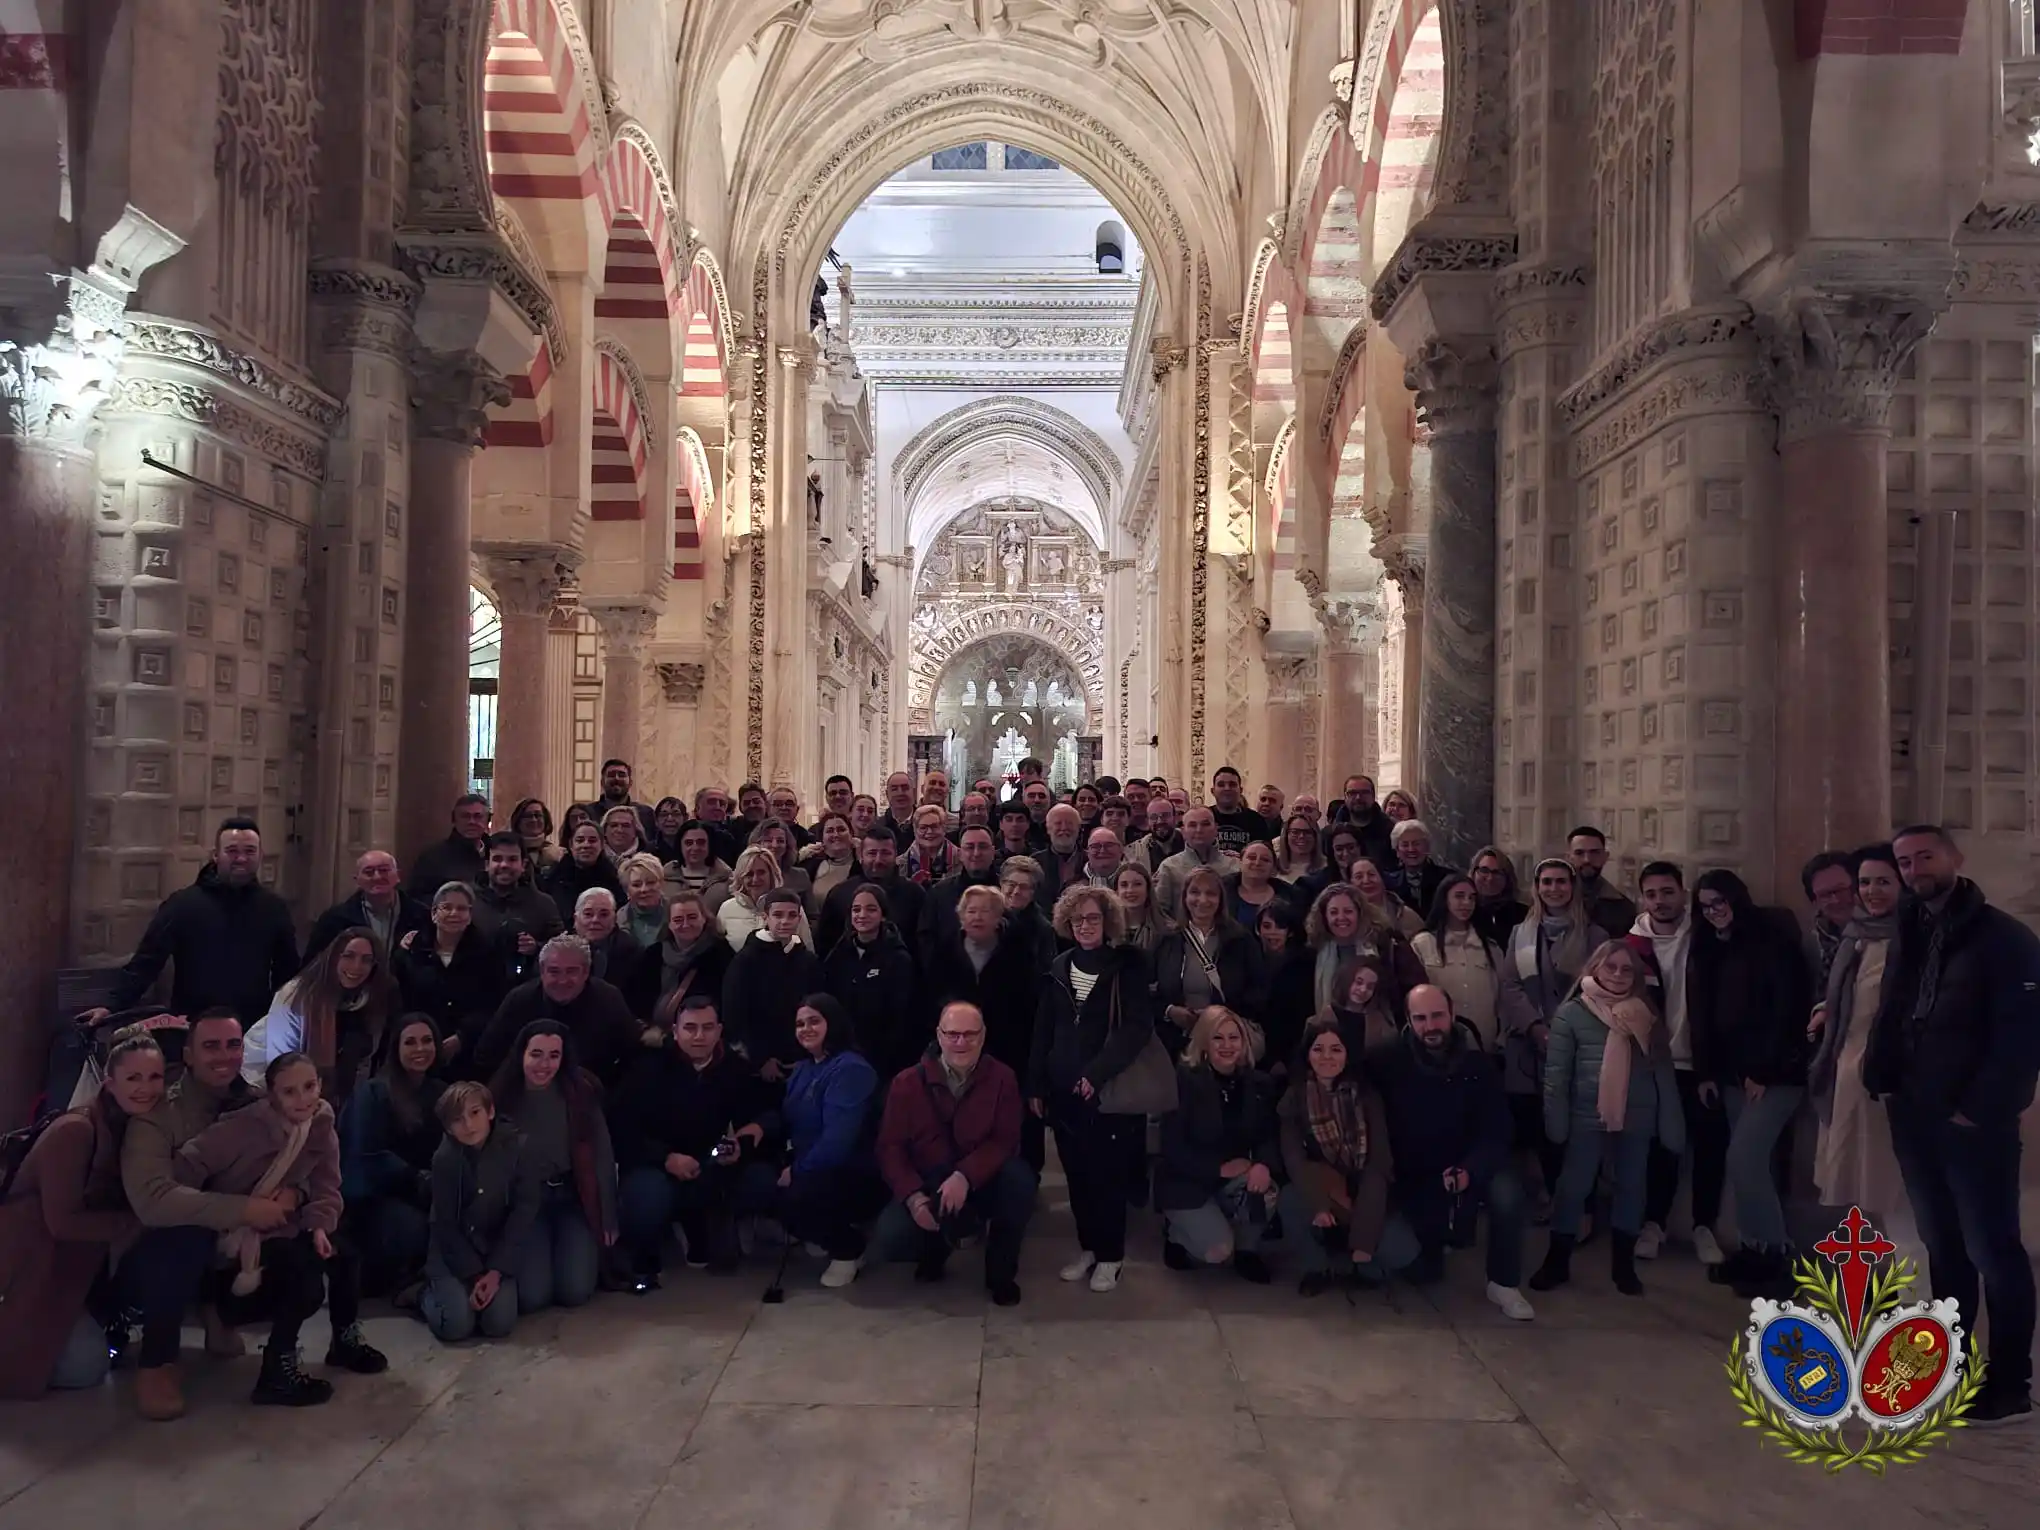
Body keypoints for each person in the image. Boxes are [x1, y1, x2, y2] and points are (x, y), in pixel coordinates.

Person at [1863, 825, 2040, 1424]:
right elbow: (1895, 1008)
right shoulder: (1911, 930)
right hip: (1913, 1111)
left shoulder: (2005, 938)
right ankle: (1953, 1365)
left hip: (1973, 1121)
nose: (1915, 869)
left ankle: (2012, 1380)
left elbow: (2022, 1037)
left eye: (1925, 856)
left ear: (1955, 859)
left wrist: (1981, 1106)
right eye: (1904, 861)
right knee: (1944, 1246)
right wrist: (1880, 1074)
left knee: (1994, 1249)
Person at [173, 1050, 387, 1404]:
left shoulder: (320, 1124)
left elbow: (326, 1185)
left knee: (345, 1252)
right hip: (240, 1231)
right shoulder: (243, 1126)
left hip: (289, 1221)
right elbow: (189, 1163)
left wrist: (319, 1225)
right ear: (272, 1094)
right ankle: (277, 1369)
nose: (303, 1098)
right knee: (303, 1282)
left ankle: (344, 1340)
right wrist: (224, 1209)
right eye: (290, 1092)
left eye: (309, 1086)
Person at [118, 1010, 277, 1419]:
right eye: (210, 1046)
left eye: (233, 1045)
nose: (223, 1056)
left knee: (302, 1249)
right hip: (150, 1248)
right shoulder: (158, 1114)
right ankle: (157, 1361)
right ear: (188, 1055)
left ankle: (224, 1318)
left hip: (233, 1242)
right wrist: (243, 1209)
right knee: (182, 1237)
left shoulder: (259, 1103)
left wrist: (292, 1194)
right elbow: (154, 1201)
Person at [0, 1032, 156, 1399]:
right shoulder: (76, 1131)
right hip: (25, 1270)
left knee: (87, 1361)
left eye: (154, 1077)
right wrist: (138, 1220)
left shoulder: (135, 1129)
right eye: (133, 1078)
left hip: (65, 1273)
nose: (145, 1089)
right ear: (110, 1083)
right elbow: (62, 1221)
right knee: (85, 1364)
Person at [1530, 941, 1683, 1296]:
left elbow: (1662, 1072)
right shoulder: (1573, 1014)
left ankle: (1623, 1265)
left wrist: (1670, 1122)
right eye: (1610, 967)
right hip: (1587, 1114)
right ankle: (1557, 1260)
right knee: (1574, 1186)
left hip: (1638, 1114)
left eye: (1626, 969)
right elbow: (1557, 1075)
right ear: (1594, 968)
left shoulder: (1646, 1014)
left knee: (1631, 1186)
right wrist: (1556, 1122)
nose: (1617, 975)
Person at [1686, 869, 1811, 1299]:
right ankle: (1755, 1251)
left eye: (1720, 902)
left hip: (1773, 1074)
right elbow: (1701, 1012)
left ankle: (1779, 1256)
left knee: (1745, 1159)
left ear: (1738, 899)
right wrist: (1705, 1071)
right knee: (1751, 1167)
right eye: (1705, 906)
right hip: (1730, 1073)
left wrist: (1765, 1068)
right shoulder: (1706, 946)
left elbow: (1787, 1009)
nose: (1714, 912)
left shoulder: (1771, 941)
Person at [1373, 986, 1533, 1318]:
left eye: (1437, 1016)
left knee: (1508, 1193)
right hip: (1414, 1171)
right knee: (1424, 1273)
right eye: (1420, 1018)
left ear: (1452, 1015)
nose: (1430, 1026)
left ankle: (1503, 1283)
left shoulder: (1478, 1064)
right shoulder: (1387, 1061)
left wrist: (1469, 1169)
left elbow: (1497, 1128)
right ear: (1408, 1020)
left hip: (1468, 1163)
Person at [1030, 885, 1155, 1293]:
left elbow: (1136, 1027)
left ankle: (1111, 1255)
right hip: (1064, 1091)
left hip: (1108, 1090)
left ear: (1108, 922)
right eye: (1078, 919)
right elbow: (1044, 1030)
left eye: (1093, 918)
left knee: (1107, 1177)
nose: (1085, 925)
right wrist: (1036, 1083)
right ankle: (1088, 1247)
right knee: (1077, 1176)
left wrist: (1096, 1073)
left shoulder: (1128, 965)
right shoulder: (1059, 965)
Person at [873, 1001, 1035, 1303]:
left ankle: (1000, 1271)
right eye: (952, 1034)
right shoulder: (907, 1082)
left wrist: (966, 1175)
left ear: (983, 1036)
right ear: (939, 1034)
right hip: (929, 1179)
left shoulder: (1002, 1078)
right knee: (891, 1239)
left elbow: (1005, 1139)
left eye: (970, 1034)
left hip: (982, 1176)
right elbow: (890, 1147)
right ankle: (934, 1248)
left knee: (1020, 1182)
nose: (961, 1042)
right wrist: (913, 1197)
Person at [1807, 845, 1917, 1267]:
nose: (1871, 891)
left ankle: (1921, 1307)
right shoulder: (1858, 933)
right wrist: (1827, 1010)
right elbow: (1857, 998)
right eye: (1865, 882)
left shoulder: (1912, 936)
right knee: (1875, 1196)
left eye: (1883, 881)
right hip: (1849, 1071)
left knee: (1899, 1195)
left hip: (1888, 1079)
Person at [83, 818, 299, 1031]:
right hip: (190, 1028)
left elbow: (287, 974)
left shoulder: (274, 909)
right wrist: (111, 1006)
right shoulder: (183, 905)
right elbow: (146, 962)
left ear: (260, 856)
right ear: (216, 856)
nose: (241, 858)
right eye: (232, 851)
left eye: (250, 851)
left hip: (253, 1030)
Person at [610, 994, 769, 1283]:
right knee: (647, 1197)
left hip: (710, 1162)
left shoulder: (735, 1068)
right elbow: (621, 1128)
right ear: (675, 1030)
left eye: (707, 1028)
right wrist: (665, 1158)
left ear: (719, 1031)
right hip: (655, 1164)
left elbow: (760, 1114)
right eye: (690, 1028)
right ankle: (647, 1247)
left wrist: (741, 1145)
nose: (699, 1036)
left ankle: (706, 1227)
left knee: (760, 1179)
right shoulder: (647, 1068)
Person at [744, 995, 887, 1288]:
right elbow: (787, 1117)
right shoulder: (806, 1067)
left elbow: (838, 1142)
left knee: (794, 1195)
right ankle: (819, 1230)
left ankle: (850, 1249)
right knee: (754, 1180)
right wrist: (759, 1127)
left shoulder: (850, 1069)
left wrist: (795, 1171)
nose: (805, 1029)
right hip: (811, 1163)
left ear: (832, 1024)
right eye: (799, 1023)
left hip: (853, 1170)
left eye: (814, 1021)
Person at [1630, 861, 1725, 1265]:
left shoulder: (1706, 936)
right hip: (1656, 1064)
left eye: (1667, 892)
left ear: (1682, 893)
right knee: (1662, 1150)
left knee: (1709, 1148)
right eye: (1651, 894)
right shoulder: (1632, 945)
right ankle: (1654, 1224)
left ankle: (1705, 1226)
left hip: (1703, 1062)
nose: (1660, 901)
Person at [489, 1020, 617, 1313]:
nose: (544, 1064)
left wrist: (608, 1212)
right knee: (534, 1296)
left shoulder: (579, 1092)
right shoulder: (499, 1097)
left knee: (575, 1291)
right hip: (525, 1205)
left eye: (553, 1055)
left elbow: (602, 1153)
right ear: (521, 1054)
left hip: (571, 1198)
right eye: (536, 1054)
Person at [1504, 858, 1610, 1207]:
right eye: (1546, 882)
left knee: (1574, 1130)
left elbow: (1599, 989)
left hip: (1575, 1046)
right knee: (1536, 1129)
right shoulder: (1521, 932)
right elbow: (1510, 985)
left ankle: (1579, 1204)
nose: (1553, 889)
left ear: (1572, 886)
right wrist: (1535, 1026)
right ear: (1536, 887)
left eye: (1561, 881)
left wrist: (1561, 1032)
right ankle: (1547, 1195)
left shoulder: (1595, 936)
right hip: (1528, 1046)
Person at [1278, 1016, 1400, 1294]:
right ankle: (1317, 1267)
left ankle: (1361, 1261)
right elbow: (1294, 1159)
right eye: (1319, 1049)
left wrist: (1363, 1237)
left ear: (1348, 1054)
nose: (1327, 1057)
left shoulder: (1367, 1095)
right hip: (1321, 1184)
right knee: (1289, 1200)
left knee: (1402, 1252)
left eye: (1336, 1049)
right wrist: (1319, 1203)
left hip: (1366, 1188)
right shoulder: (1294, 1097)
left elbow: (1380, 1160)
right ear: (1307, 1054)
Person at [1158, 1008, 1280, 1282]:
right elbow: (1171, 1147)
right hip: (1187, 1181)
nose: (1227, 1046)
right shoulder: (1184, 1081)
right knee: (1217, 1252)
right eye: (1218, 1038)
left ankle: (1248, 1250)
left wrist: (1263, 1164)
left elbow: (1267, 1135)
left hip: (1232, 1179)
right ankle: (1176, 1234)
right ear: (1204, 1042)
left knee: (1266, 1189)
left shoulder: (1258, 1083)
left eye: (1233, 1037)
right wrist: (1218, 1169)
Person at [422, 1081, 540, 1342]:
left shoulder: (518, 1148)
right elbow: (445, 1224)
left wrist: (495, 1271)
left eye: (474, 1113)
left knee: (499, 1322)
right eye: (457, 1119)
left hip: (496, 1245)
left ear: (490, 1112)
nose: (468, 1124)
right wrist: (474, 1275)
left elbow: (524, 1209)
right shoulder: (445, 1159)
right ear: (448, 1128)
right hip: (453, 1249)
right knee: (455, 1326)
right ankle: (423, 1293)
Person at [341, 1015, 445, 1298]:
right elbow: (365, 1156)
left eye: (427, 1041)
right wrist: (416, 1179)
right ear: (395, 1048)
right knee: (416, 1227)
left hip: (427, 1187)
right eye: (409, 1042)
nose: (420, 1049)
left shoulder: (440, 1092)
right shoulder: (372, 1093)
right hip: (380, 1196)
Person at [470, 933, 647, 1087]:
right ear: (542, 971)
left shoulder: (609, 999)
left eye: (571, 971)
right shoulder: (519, 1000)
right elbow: (486, 1057)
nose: (562, 981)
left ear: (586, 972)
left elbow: (631, 1058)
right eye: (554, 971)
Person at [243, 928, 399, 1094]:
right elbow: (281, 1063)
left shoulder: (371, 998)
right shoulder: (295, 996)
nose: (356, 966)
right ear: (333, 957)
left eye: (366, 960)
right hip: (272, 1083)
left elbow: (365, 1059)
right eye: (348, 956)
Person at [1411, 873, 1532, 1055]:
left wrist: (1501, 1038)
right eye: (1459, 896)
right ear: (1444, 899)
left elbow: (1504, 995)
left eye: (1472, 898)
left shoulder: (1490, 947)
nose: (1466, 903)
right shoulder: (1423, 944)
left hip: (1484, 1044)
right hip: (1437, 1046)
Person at [394, 882, 504, 1068]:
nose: (454, 914)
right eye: (447, 907)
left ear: (470, 916)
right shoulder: (411, 951)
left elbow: (493, 1004)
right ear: (433, 914)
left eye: (462, 908)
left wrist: (462, 1037)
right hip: (418, 1048)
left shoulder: (488, 954)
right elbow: (401, 1000)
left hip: (470, 1051)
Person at [1153, 865, 1260, 1055]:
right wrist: (1169, 1011)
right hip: (1175, 1041)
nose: (1202, 900)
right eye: (1194, 892)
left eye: (1211, 893)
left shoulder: (1240, 939)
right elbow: (1148, 988)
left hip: (1227, 1041)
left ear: (1221, 900)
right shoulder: (1167, 939)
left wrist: (1220, 1016)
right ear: (1184, 898)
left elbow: (1258, 989)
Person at [722, 888, 824, 1083]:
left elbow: (817, 1009)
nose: (785, 921)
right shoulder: (746, 960)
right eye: (777, 915)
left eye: (792, 915)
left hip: (802, 1058)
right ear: (765, 917)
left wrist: (808, 1053)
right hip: (758, 1062)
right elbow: (734, 1014)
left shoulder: (808, 960)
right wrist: (760, 1059)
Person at [823, 883, 921, 1078]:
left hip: (882, 1056)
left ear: (883, 915)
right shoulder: (839, 954)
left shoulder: (898, 958)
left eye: (871, 909)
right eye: (856, 909)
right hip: (841, 1052)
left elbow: (901, 1016)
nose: (862, 915)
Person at [1305, 883, 1425, 1013]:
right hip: (1331, 1029)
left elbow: (1413, 990)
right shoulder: (1313, 952)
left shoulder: (1387, 945)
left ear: (1360, 913)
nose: (1341, 918)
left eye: (1348, 911)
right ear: (1324, 916)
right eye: (1333, 912)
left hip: (1382, 1028)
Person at [470, 832, 566, 987]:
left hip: (528, 991)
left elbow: (561, 947)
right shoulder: (468, 902)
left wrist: (537, 947)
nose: (504, 865)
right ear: (487, 865)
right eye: (497, 859)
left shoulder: (544, 904)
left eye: (512, 859)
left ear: (524, 865)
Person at [628, 888, 733, 1022]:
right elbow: (634, 998)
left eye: (692, 917)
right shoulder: (653, 955)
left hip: (701, 1034)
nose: (685, 924)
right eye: (678, 919)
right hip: (652, 1034)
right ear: (669, 924)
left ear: (704, 919)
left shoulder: (722, 955)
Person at [306, 851, 429, 963]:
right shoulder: (334, 919)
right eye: (369, 872)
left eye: (384, 870)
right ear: (357, 880)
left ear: (398, 876)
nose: (377, 877)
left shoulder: (423, 916)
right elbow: (313, 964)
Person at [1248, 902, 1315, 1080]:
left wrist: (1281, 1058)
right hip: (1255, 1046)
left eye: (1280, 927)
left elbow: (1301, 1013)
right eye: (1267, 926)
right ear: (1257, 929)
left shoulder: (1304, 963)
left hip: (1293, 1050)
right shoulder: (1248, 959)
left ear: (1291, 931)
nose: (1272, 932)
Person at [914, 824, 995, 954]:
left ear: (993, 852)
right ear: (960, 854)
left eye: (983, 846)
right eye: (969, 847)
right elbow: (926, 941)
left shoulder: (1007, 893)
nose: (976, 853)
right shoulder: (939, 894)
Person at [718, 846, 815, 949]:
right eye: (749, 874)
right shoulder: (726, 908)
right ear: (740, 877)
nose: (755, 879)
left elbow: (808, 949)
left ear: (771, 874)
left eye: (761, 872)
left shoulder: (791, 906)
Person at [1154, 806, 1239, 921]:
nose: (1199, 830)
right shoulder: (1169, 867)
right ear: (1183, 831)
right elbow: (1159, 911)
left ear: (1216, 829)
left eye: (1205, 824)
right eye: (1192, 825)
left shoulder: (1234, 867)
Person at [406, 793, 491, 901]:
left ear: (487, 820)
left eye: (478, 816)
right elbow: (417, 898)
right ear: (454, 820)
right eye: (465, 816)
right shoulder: (433, 858)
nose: (472, 822)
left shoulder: (495, 852)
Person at [542, 819, 625, 925]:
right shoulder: (552, 878)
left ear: (602, 845)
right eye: (580, 840)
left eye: (592, 840)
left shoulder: (615, 880)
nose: (586, 845)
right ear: (571, 845)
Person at [1801, 850, 1859, 991]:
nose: (1836, 900)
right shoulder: (1812, 947)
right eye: (1825, 895)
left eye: (1841, 890)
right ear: (1815, 902)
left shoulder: (1884, 934)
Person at [572, 887, 645, 997]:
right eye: (588, 914)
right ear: (576, 918)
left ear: (614, 918)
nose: (595, 920)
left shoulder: (632, 950)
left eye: (604, 914)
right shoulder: (560, 949)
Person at [1567, 826, 1638, 934]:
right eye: (1579, 853)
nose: (1587, 860)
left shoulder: (1623, 908)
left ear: (1605, 857)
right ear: (1569, 858)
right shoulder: (1548, 899)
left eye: (1595, 853)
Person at [577, 758, 658, 845]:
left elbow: (654, 845)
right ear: (602, 782)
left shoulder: (646, 813)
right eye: (611, 775)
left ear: (630, 782)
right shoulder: (588, 813)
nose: (616, 778)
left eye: (621, 775)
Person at [663, 820, 735, 916]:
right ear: (680, 845)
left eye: (701, 842)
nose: (695, 847)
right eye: (689, 843)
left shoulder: (727, 878)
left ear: (710, 845)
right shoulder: (663, 877)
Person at [1325, 774, 1393, 872]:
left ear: (1373, 796)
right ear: (1345, 797)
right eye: (1352, 793)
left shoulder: (1390, 830)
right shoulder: (1329, 833)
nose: (1358, 797)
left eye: (1364, 792)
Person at [1384, 821, 1451, 919]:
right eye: (1405, 845)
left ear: (1427, 847)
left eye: (1416, 844)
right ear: (1397, 851)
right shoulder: (1388, 883)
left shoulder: (1447, 879)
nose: (1411, 849)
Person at [1348, 854, 1423, 940]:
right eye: (1359, 877)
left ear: (1382, 879)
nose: (1366, 881)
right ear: (1351, 883)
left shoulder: (1404, 915)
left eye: (1371, 874)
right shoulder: (1345, 916)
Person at [1468, 845, 1530, 947]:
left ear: (1507, 878)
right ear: (1473, 873)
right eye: (1484, 870)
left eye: (1497, 872)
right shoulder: (1462, 911)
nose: (1490, 878)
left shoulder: (1524, 915)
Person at [749, 819, 817, 911]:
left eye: (780, 841)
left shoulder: (800, 876)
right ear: (757, 843)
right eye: (768, 840)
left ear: (787, 845)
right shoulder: (747, 876)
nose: (775, 845)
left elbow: (813, 915)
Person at [1228, 840, 1292, 928]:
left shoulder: (1290, 895)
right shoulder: (1222, 890)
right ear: (1240, 862)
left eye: (1265, 860)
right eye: (1252, 857)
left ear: (1273, 868)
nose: (1257, 863)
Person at [1113, 862, 1172, 954]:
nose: (1130, 890)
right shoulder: (1106, 930)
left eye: (1137, 884)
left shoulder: (1167, 931)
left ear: (1148, 889)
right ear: (1116, 891)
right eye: (1124, 885)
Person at [802, 811, 860, 903]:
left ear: (851, 834)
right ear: (822, 838)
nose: (836, 835)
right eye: (830, 831)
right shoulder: (810, 866)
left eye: (841, 829)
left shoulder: (862, 866)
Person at [617, 851, 670, 950]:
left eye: (650, 882)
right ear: (626, 890)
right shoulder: (618, 920)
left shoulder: (675, 912)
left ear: (662, 884)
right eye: (637, 885)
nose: (644, 889)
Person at [904, 802, 961, 885]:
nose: (929, 832)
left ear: (944, 828)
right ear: (915, 830)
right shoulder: (899, 864)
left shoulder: (963, 859)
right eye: (923, 827)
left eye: (934, 826)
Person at [1129, 794, 1182, 874]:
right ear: (1147, 821)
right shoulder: (1135, 852)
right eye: (1154, 817)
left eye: (1165, 816)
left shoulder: (1189, 843)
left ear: (1175, 818)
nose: (1160, 821)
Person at [1271, 812, 1327, 886]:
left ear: (1315, 836)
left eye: (1307, 832)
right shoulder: (1273, 867)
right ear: (1286, 836)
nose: (1301, 836)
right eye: (1295, 832)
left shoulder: (1327, 867)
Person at [510, 797, 563, 874]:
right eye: (528, 816)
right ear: (518, 821)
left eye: (538, 815)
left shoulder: (558, 855)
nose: (533, 820)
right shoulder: (509, 851)